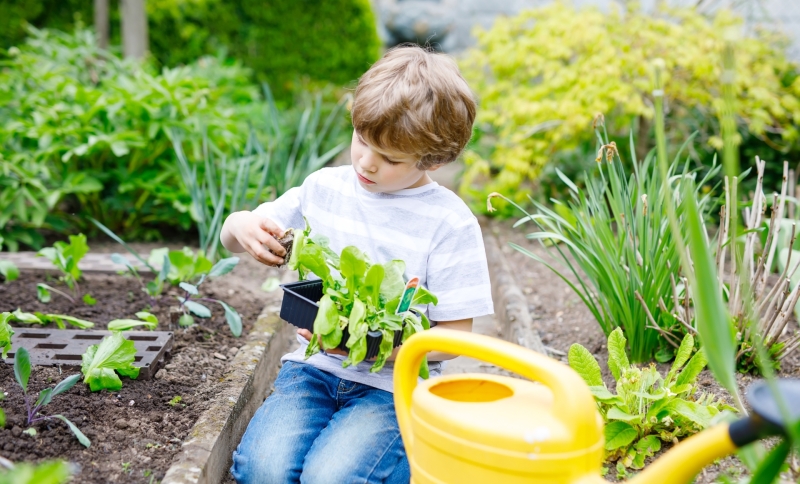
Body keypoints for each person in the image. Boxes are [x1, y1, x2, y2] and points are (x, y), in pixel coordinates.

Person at [221, 44, 494, 484]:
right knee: (262, 470)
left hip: (392, 388)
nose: (367, 162)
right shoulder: (324, 188)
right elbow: (234, 238)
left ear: (435, 160)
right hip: (314, 370)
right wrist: (241, 224)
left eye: (390, 159)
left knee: (331, 477)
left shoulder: (450, 223)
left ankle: (414, 448)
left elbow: (456, 339)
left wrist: (371, 349)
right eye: (362, 141)